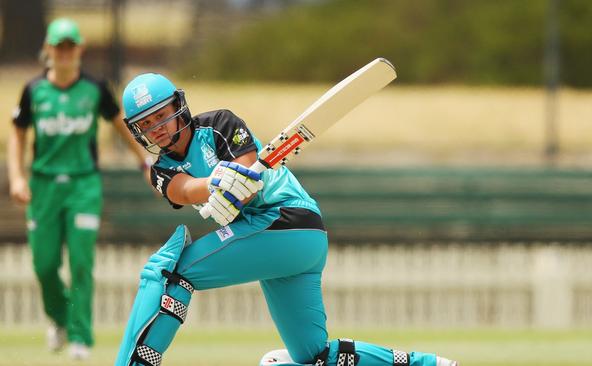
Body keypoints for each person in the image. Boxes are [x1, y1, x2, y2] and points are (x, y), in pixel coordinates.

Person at [115, 72, 459, 366]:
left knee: (171, 272)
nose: (155, 128)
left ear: (178, 107)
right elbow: (185, 190)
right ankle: (426, 363)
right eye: (145, 124)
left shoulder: (220, 124)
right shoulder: (161, 170)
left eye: (160, 115)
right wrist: (213, 185)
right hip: (284, 243)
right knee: (314, 357)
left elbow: (249, 185)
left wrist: (231, 187)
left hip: (286, 220)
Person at [7, 18, 151, 360]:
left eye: (71, 47)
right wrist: (16, 177)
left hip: (83, 185)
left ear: (80, 50)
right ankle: (59, 318)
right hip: (43, 187)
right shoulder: (33, 91)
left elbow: (120, 124)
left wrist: (144, 161)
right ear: (48, 51)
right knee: (44, 265)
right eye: (59, 48)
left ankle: (81, 337)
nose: (65, 54)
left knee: (82, 262)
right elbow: (17, 133)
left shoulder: (95, 88)